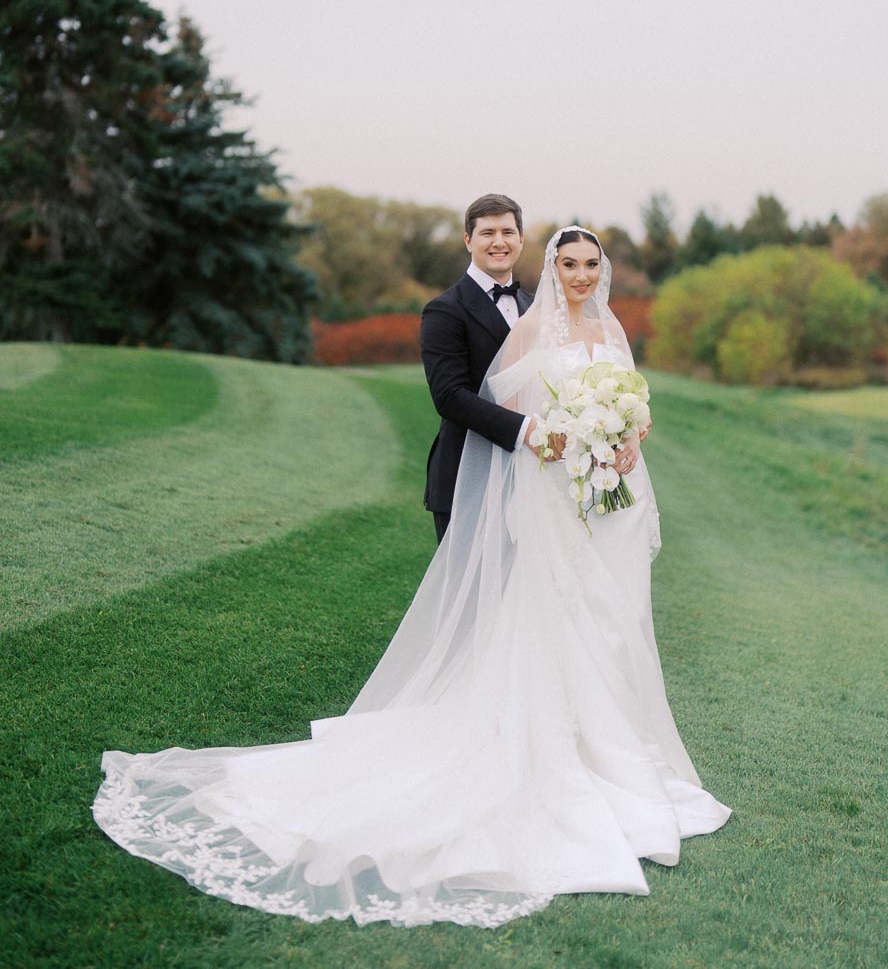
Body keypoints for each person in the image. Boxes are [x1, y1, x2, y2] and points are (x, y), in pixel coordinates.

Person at [92, 225, 731, 929]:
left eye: (591, 265)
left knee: (620, 626)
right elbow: (506, 414)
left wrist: (627, 434)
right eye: (569, 264)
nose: (581, 275)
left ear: (603, 271)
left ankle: (618, 748)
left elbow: (636, 406)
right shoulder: (529, 335)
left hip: (616, 502)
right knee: (569, 624)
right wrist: (567, 439)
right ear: (551, 268)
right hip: (561, 498)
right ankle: (569, 755)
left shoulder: (613, 331)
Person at [420, 193, 536, 543]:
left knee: (522, 596)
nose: (498, 242)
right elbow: (450, 397)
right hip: (465, 478)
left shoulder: (535, 306)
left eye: (507, 232)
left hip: (531, 480)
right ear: (468, 240)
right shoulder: (444, 310)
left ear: (520, 239)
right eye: (487, 233)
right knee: (466, 598)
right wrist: (527, 430)